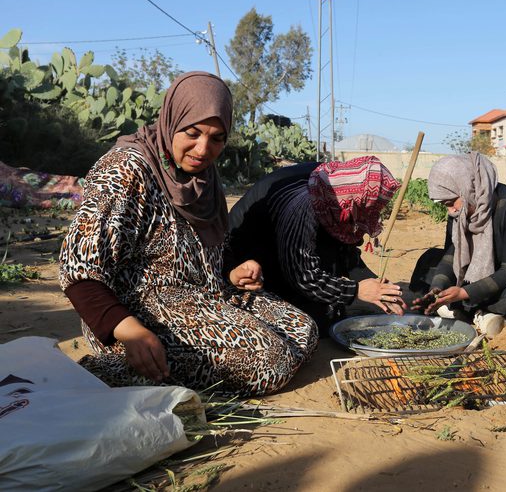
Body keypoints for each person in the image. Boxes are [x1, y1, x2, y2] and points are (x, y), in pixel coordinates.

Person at [59, 71, 317, 395]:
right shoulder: (127, 169)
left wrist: (231, 273)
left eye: (217, 138)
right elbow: (78, 270)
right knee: (270, 360)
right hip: (137, 314)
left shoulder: (204, 179)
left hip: (202, 296)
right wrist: (129, 330)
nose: (203, 148)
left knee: (303, 330)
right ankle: (112, 369)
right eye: (192, 133)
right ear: (172, 119)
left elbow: (200, 252)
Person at [226, 156, 406, 332]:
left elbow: (345, 250)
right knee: (314, 322)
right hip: (254, 250)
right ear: (351, 203)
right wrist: (356, 290)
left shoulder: (339, 187)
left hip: (289, 241)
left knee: (331, 300)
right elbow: (302, 276)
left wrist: (377, 286)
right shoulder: (302, 207)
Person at [410, 152, 506, 337]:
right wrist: (437, 289)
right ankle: (480, 314)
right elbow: (452, 253)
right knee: (430, 261)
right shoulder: (460, 210)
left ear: (469, 189)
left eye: (451, 203)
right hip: (482, 276)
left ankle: (468, 311)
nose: (451, 211)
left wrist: (463, 293)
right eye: (445, 205)